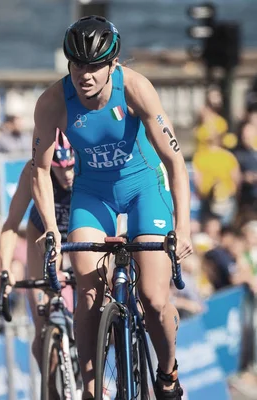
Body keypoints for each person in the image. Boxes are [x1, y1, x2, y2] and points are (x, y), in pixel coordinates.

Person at [30, 16, 193, 400]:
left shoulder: (135, 88)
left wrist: (183, 228)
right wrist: (51, 226)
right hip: (93, 194)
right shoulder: (53, 101)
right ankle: (91, 389)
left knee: (153, 299)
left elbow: (175, 161)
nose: (84, 74)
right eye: (76, 64)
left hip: (143, 189)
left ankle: (168, 372)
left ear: (113, 65)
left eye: (94, 66)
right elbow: (38, 168)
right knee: (87, 294)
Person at [0, 130, 75, 369]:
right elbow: (10, 225)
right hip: (42, 234)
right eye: (59, 167)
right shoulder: (33, 171)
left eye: (71, 166)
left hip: (78, 232)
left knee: (94, 304)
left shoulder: (87, 169)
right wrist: (5, 269)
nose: (67, 174)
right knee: (43, 330)